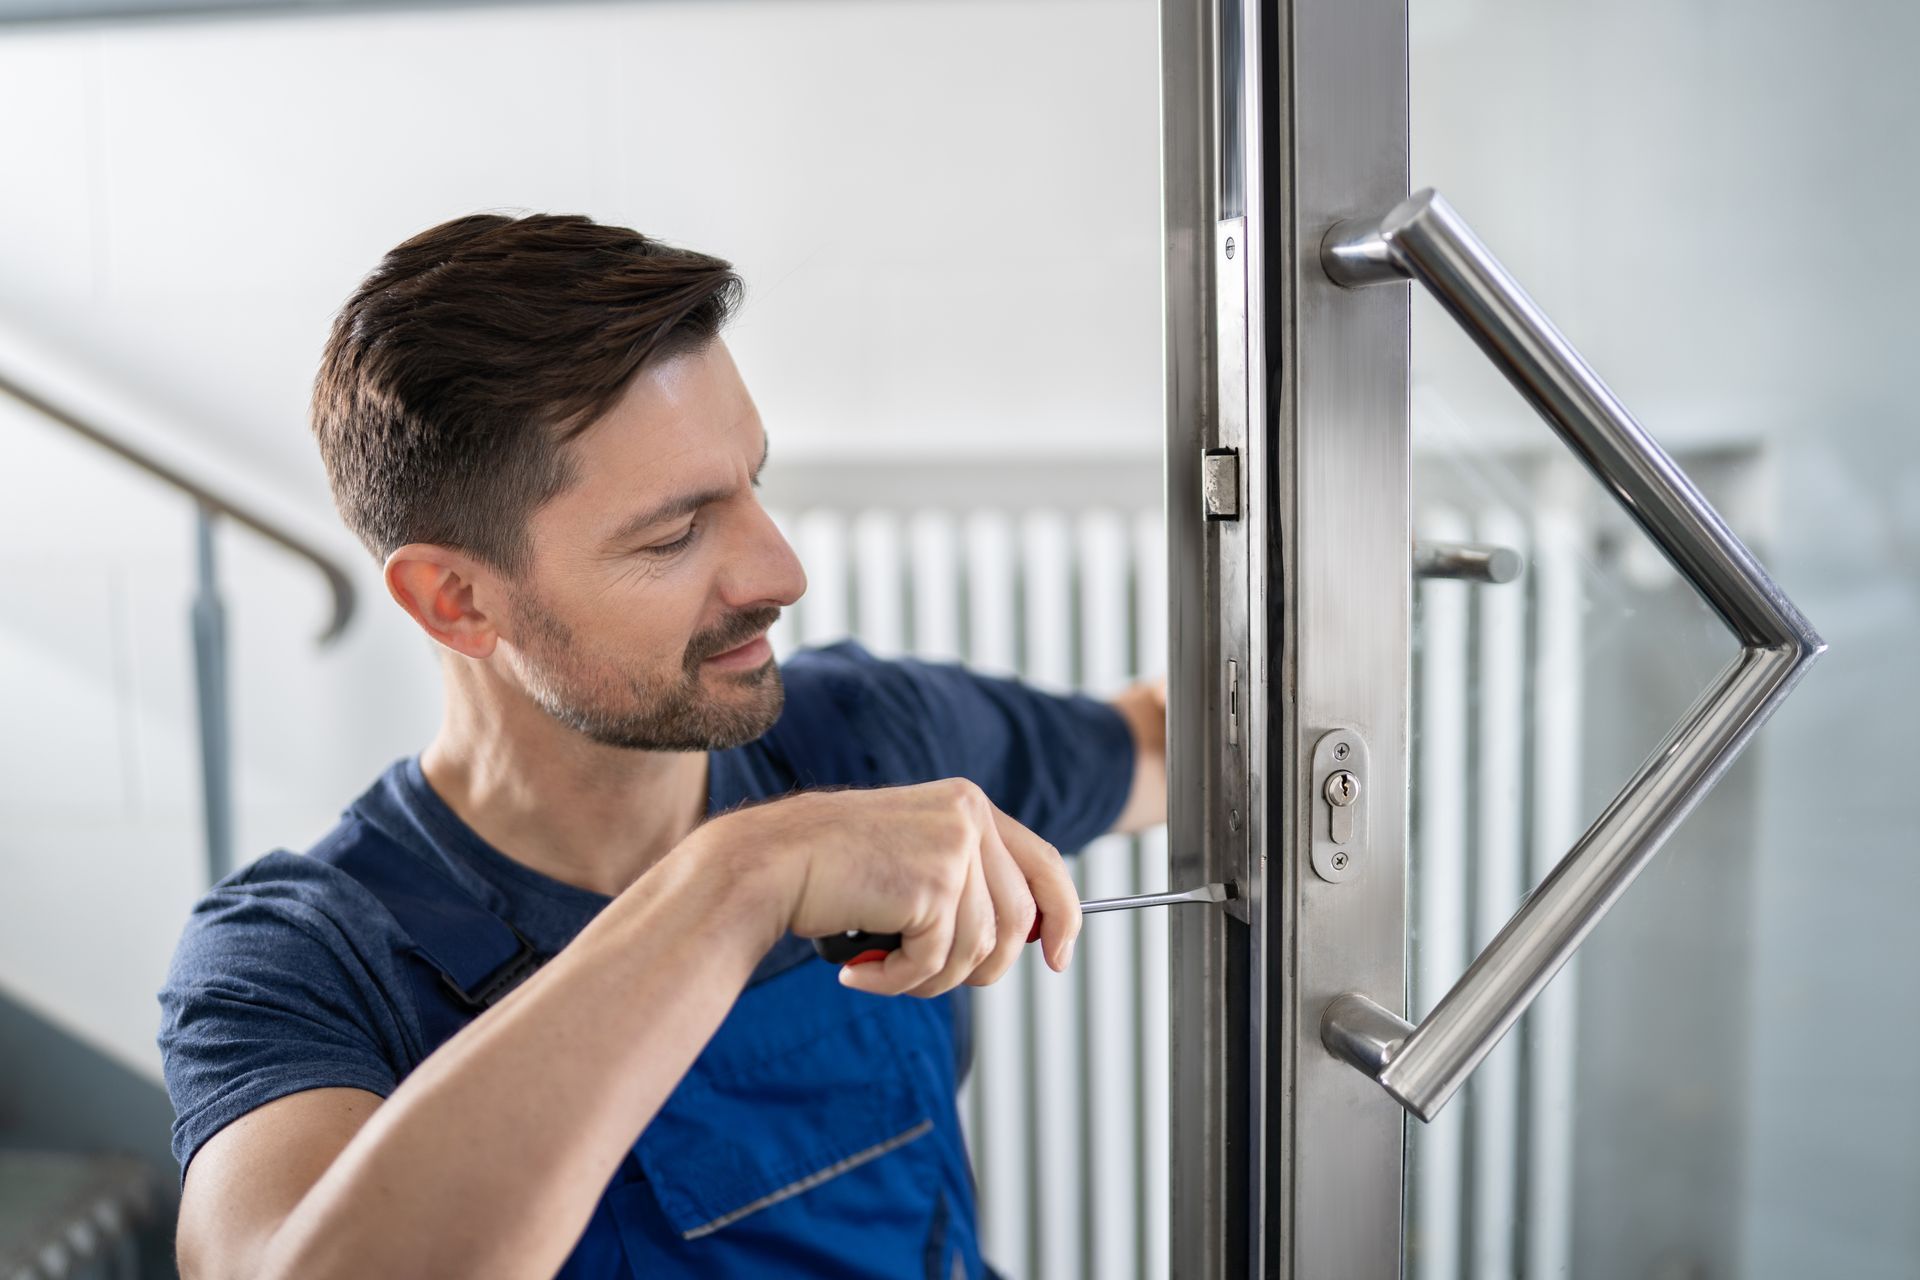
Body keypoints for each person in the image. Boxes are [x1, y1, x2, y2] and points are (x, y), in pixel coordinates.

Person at [157, 213, 1167, 1280]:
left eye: (754, 485)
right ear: (455, 600)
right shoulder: (301, 957)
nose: (780, 574)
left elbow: (1165, 744)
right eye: (675, 533)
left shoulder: (868, 735)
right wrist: (739, 876)